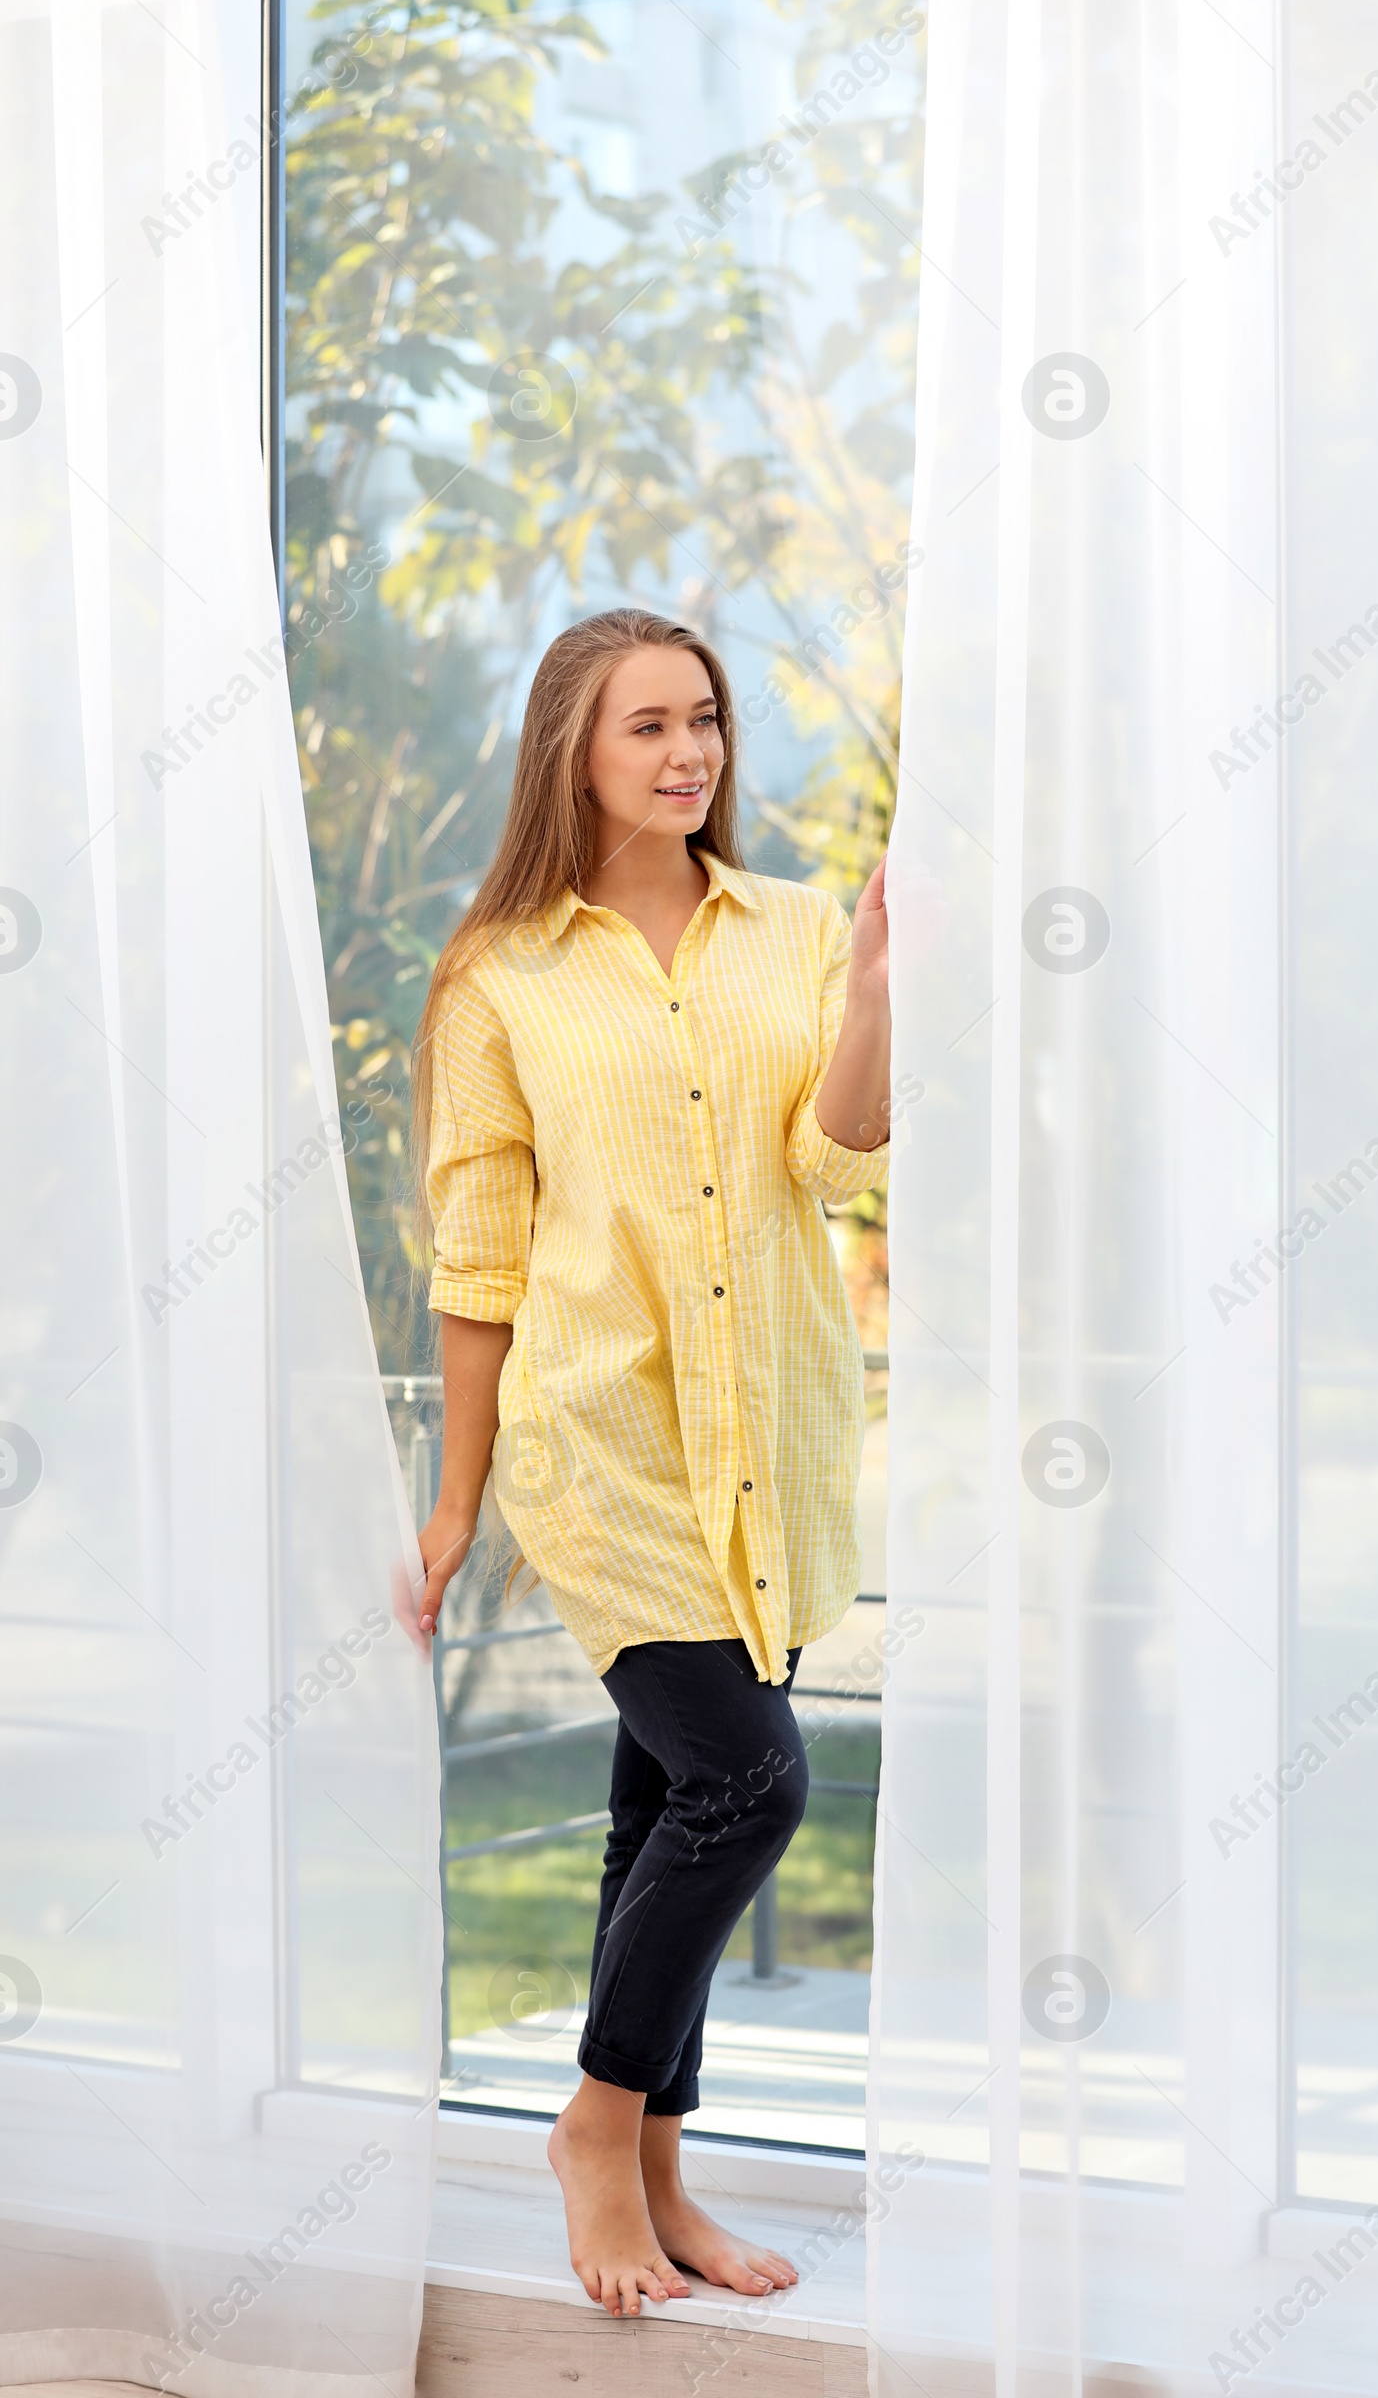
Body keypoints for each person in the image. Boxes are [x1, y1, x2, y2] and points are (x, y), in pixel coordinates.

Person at [406, 608, 891, 2320]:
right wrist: (457, 1503)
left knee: (658, 1808)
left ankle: (666, 2174)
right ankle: (600, 2128)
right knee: (751, 1786)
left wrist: (883, 994)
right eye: (647, 729)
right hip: (599, 1439)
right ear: (574, 752)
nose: (688, 755)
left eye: (704, 723)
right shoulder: (501, 978)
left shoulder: (805, 930)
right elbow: (477, 1258)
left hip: (771, 1444)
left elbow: (830, 1167)